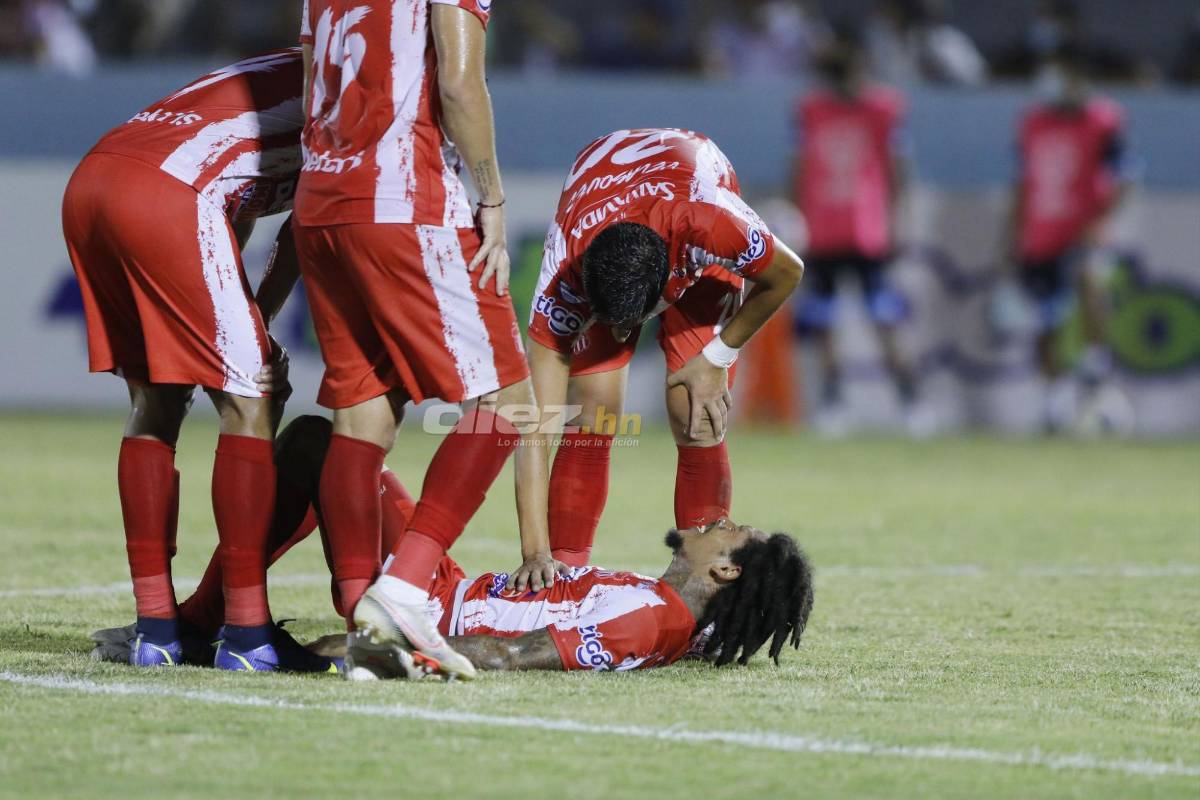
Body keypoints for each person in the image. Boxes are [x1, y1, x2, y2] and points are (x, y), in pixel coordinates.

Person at [92, 416, 816, 677]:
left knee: (318, 443)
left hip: (433, 603)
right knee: (318, 448)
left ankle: (208, 631)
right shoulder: (671, 619)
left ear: (723, 567)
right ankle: (211, 625)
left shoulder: (653, 622)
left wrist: (364, 650)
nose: (719, 518)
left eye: (732, 528)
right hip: (444, 580)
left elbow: (509, 655)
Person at [295, 0, 546, 682]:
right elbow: (460, 83)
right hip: (400, 197)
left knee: (364, 414)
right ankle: (402, 594)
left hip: (319, 202)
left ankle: (361, 624)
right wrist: (491, 198)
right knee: (511, 401)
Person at [61, 48, 306, 670]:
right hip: (173, 191)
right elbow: (311, 224)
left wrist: (253, 317)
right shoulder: (365, 91)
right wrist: (261, 330)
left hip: (95, 178)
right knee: (255, 394)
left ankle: (155, 631)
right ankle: (247, 637)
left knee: (156, 399)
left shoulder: (299, 62)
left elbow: (237, 209)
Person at [521, 128, 804, 570]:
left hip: (692, 176)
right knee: (590, 414)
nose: (618, 337)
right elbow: (536, 427)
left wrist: (718, 356)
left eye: (628, 326)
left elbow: (787, 273)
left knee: (696, 412)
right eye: (607, 323)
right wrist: (535, 554)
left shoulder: (712, 225)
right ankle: (566, 577)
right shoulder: (564, 272)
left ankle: (703, 588)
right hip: (602, 177)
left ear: (669, 285)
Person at [793, 35, 928, 436]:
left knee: (884, 318)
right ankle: (834, 403)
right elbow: (798, 167)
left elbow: (898, 169)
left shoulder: (884, 109)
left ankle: (911, 402)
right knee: (824, 320)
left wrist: (901, 219)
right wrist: (795, 218)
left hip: (868, 231)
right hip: (821, 231)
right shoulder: (811, 111)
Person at [1006, 43, 1136, 431]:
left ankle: (1097, 367)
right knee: (1046, 318)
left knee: (1090, 283)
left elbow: (1126, 177)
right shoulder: (1033, 122)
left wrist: (1099, 220)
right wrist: (1012, 235)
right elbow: (1023, 183)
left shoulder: (1104, 119)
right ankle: (1053, 397)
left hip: (1083, 231)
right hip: (1041, 232)